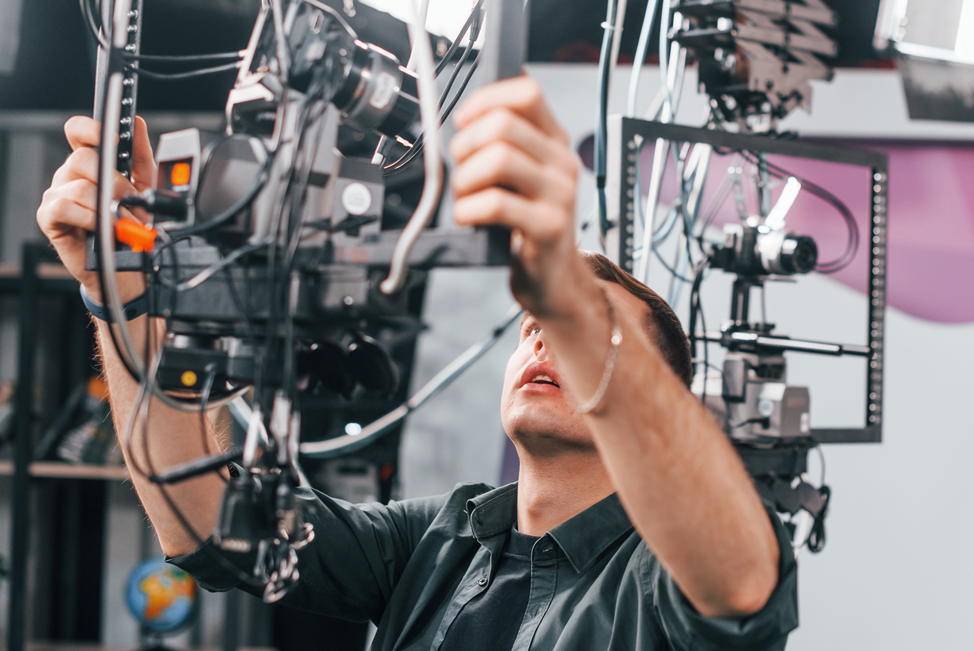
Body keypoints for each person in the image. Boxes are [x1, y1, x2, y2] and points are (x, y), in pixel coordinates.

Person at [36, 76, 798, 650]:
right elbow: (201, 528)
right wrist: (122, 297)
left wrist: (570, 292)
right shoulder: (435, 539)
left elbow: (738, 581)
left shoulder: (656, 576)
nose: (545, 339)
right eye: (536, 324)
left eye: (585, 330)